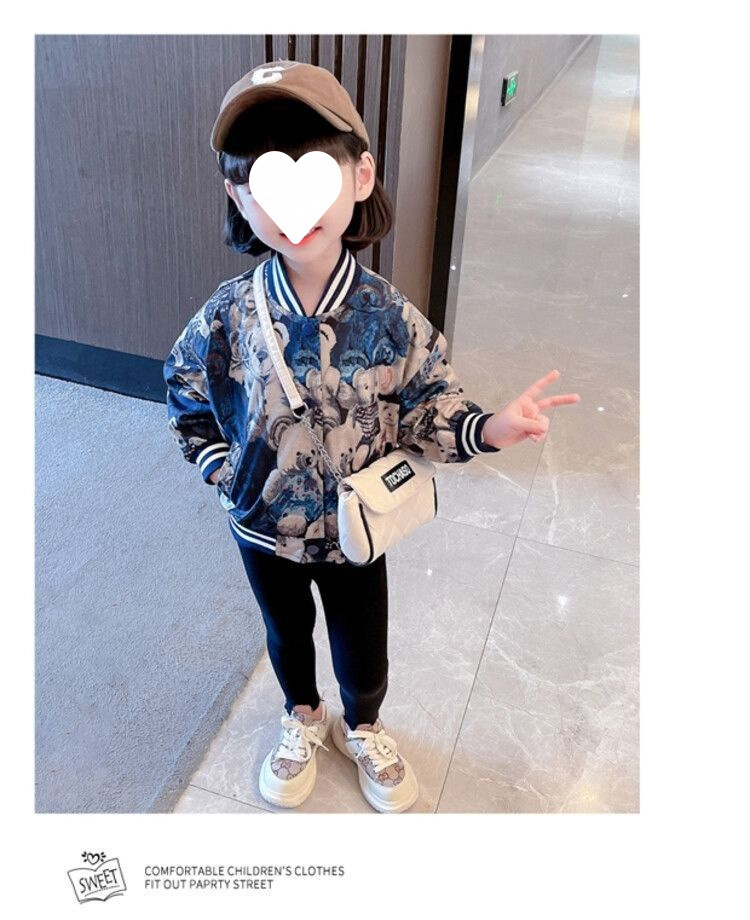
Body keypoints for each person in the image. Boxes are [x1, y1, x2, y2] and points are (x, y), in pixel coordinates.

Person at [163, 60, 581, 814]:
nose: (291, 206)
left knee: (363, 647)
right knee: (285, 633)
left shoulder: (389, 317)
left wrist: (490, 427)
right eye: (264, 182)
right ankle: (302, 715)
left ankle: (361, 724)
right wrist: (224, 471)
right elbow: (185, 389)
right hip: (261, 528)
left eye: (313, 174)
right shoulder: (227, 315)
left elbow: (429, 404)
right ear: (239, 198)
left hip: (358, 529)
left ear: (360, 176)